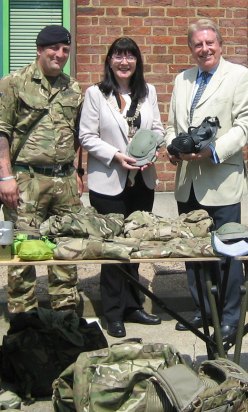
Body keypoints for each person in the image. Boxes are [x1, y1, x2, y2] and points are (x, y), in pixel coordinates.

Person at [165, 19, 248, 340]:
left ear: (221, 44)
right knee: (193, 252)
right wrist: (172, 148)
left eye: (210, 43)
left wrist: (210, 152)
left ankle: (230, 316)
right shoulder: (182, 79)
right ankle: (204, 310)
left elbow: (245, 125)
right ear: (190, 49)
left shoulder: (240, 76)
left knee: (227, 253)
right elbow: (170, 126)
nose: (204, 49)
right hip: (187, 181)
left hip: (221, 180)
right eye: (197, 44)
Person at [0, 25, 85, 314]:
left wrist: (78, 172)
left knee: (67, 251)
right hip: (25, 180)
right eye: (54, 48)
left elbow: (78, 134)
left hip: (64, 181)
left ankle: (65, 321)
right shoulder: (13, 83)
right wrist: (5, 177)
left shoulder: (73, 87)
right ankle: (23, 323)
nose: (60, 54)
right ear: (39, 50)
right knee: (24, 252)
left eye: (65, 49)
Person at [78, 37, 164, 338]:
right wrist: (117, 155)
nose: (124, 62)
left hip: (142, 179)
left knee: (135, 244)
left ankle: (133, 305)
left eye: (130, 56)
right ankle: (113, 312)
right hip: (109, 181)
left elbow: (158, 130)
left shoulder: (148, 92)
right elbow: (86, 136)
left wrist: (150, 153)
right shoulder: (95, 94)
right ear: (110, 60)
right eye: (118, 56)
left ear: (137, 62)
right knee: (113, 247)